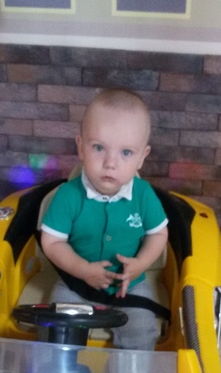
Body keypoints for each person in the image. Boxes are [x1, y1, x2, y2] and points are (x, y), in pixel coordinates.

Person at [40, 88, 168, 351]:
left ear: (142, 157)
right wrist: (83, 270)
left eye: (126, 153)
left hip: (130, 285)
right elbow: (51, 243)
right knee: (54, 331)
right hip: (75, 283)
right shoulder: (68, 195)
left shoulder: (144, 195)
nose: (110, 163)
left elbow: (158, 234)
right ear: (81, 147)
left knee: (142, 333)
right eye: (99, 148)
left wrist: (140, 264)